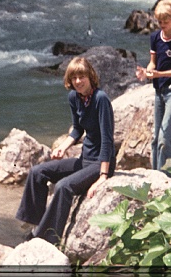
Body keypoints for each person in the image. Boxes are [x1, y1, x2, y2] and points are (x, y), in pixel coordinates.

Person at [16, 57, 115, 245]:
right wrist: (63, 147)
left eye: (82, 76)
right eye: (74, 77)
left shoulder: (101, 99)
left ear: (90, 76)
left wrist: (103, 176)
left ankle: (47, 238)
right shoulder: (74, 97)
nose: (78, 81)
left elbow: (108, 139)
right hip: (85, 160)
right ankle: (35, 224)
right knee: (38, 172)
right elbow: (77, 129)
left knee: (63, 186)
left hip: (101, 163)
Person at [136, 0, 171, 175]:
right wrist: (146, 72)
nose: (162, 24)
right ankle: (155, 174)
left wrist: (159, 74)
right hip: (159, 91)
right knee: (155, 137)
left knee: (165, 135)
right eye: (159, 21)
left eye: (166, 21)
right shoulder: (155, 37)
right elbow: (153, 63)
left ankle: (165, 177)